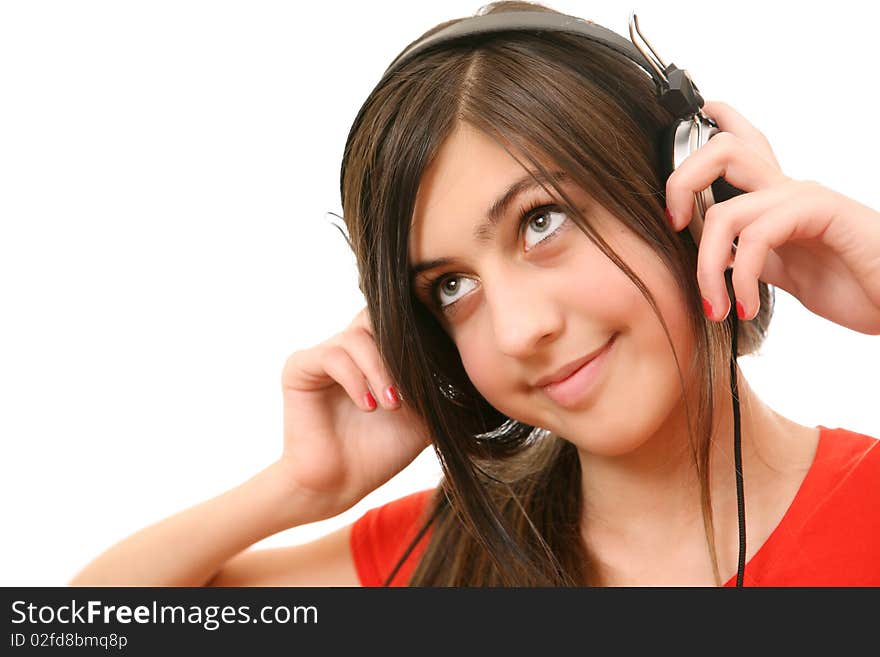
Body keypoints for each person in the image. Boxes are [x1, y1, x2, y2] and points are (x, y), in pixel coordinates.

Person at [68, 0, 880, 588]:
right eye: (451, 286)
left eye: (541, 220)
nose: (520, 328)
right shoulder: (442, 559)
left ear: (691, 184)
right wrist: (300, 486)